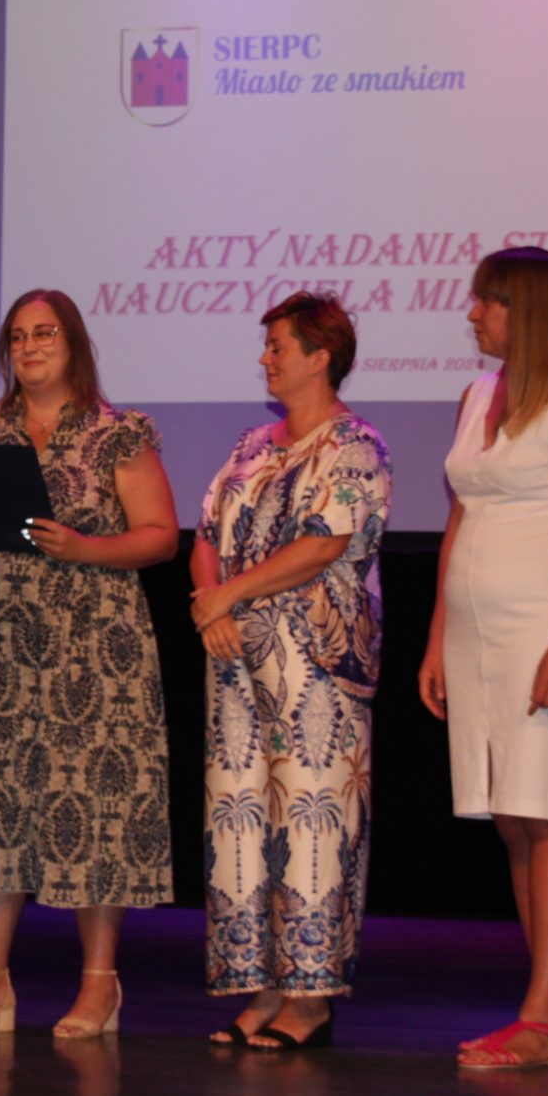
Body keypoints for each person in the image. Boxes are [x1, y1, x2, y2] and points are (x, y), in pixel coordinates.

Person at [0, 289, 178, 1040]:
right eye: (19, 336)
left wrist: (87, 548)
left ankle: (99, 987)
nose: (30, 347)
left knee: (97, 805)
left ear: (75, 345)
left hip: (93, 649)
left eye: (46, 334)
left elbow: (161, 535)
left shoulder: (117, 432)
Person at [419, 246, 548, 1070]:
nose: (472, 314)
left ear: (526, 309)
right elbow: (460, 517)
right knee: (511, 816)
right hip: (476, 632)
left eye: (487, 301)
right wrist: (438, 632)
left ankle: (539, 1020)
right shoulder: (479, 395)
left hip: (544, 624)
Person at [192, 292, 391, 1051]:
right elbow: (206, 532)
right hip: (236, 661)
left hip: (317, 667)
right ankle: (264, 985)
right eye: (267, 344)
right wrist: (210, 603)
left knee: (312, 820)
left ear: (320, 356)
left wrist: (226, 595)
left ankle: (310, 1000)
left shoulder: (356, 445)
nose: (266, 357)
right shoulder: (251, 444)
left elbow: (323, 543)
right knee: (240, 817)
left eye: (279, 345)